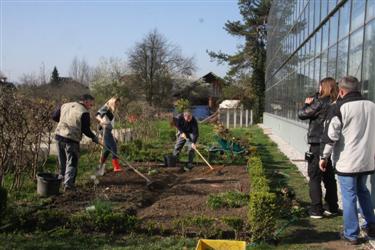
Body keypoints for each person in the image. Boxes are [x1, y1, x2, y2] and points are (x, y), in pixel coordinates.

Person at [320, 76, 375, 244]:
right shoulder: (372, 106)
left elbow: (331, 137)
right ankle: (371, 225)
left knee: (349, 196)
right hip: (367, 160)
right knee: (363, 192)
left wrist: (324, 157)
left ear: (341, 91)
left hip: (348, 161)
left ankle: (351, 234)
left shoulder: (339, 107)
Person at [298, 77, 339, 219]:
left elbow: (302, 114)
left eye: (320, 86)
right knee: (328, 175)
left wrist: (306, 104)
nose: (319, 88)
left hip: (317, 143)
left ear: (324, 87)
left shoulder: (319, 103)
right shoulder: (336, 103)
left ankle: (316, 209)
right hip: (330, 143)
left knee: (314, 175)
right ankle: (332, 206)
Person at [52, 94, 98, 191]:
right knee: (72, 162)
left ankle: (60, 183)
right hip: (71, 139)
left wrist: (65, 121)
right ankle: (68, 185)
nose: (91, 106)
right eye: (91, 104)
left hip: (59, 136)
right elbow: (85, 129)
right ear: (85, 101)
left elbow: (55, 117)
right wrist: (93, 137)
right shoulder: (84, 112)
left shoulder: (65, 105)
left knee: (62, 161)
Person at [95, 97, 122, 175]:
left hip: (108, 130)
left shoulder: (111, 109)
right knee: (113, 146)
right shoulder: (106, 107)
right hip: (104, 129)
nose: (117, 105)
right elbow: (97, 115)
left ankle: (100, 168)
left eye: (118, 104)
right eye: (116, 103)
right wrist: (101, 120)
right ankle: (116, 167)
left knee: (107, 149)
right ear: (112, 102)